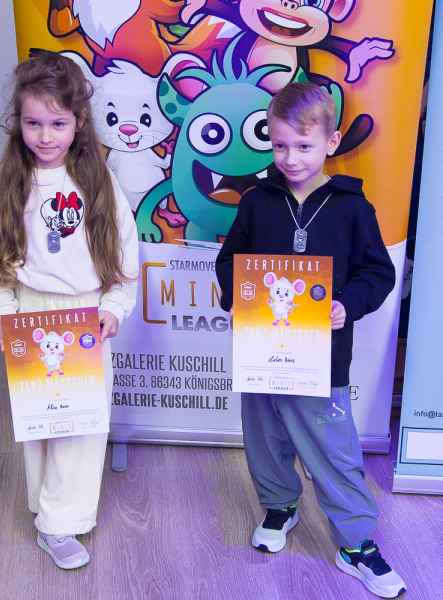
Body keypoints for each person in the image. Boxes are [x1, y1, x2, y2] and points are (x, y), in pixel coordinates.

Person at [216, 82, 406, 598]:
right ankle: (280, 505)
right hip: (261, 351)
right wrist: (235, 296)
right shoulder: (257, 202)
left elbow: (378, 273)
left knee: (333, 448)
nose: (291, 158)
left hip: (323, 359)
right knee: (265, 436)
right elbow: (230, 259)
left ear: (331, 141)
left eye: (303, 146)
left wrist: (347, 304)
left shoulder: (352, 208)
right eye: (280, 145)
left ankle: (355, 542)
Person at [0, 53, 138, 570]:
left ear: (78, 122)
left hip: (84, 317)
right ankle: (46, 505)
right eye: (33, 123)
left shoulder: (96, 180)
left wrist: (114, 304)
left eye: (58, 124)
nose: (45, 136)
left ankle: (59, 523)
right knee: (41, 421)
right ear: (18, 122)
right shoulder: (7, 181)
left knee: (81, 425)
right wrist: (2, 314)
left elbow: (124, 248)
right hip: (30, 312)